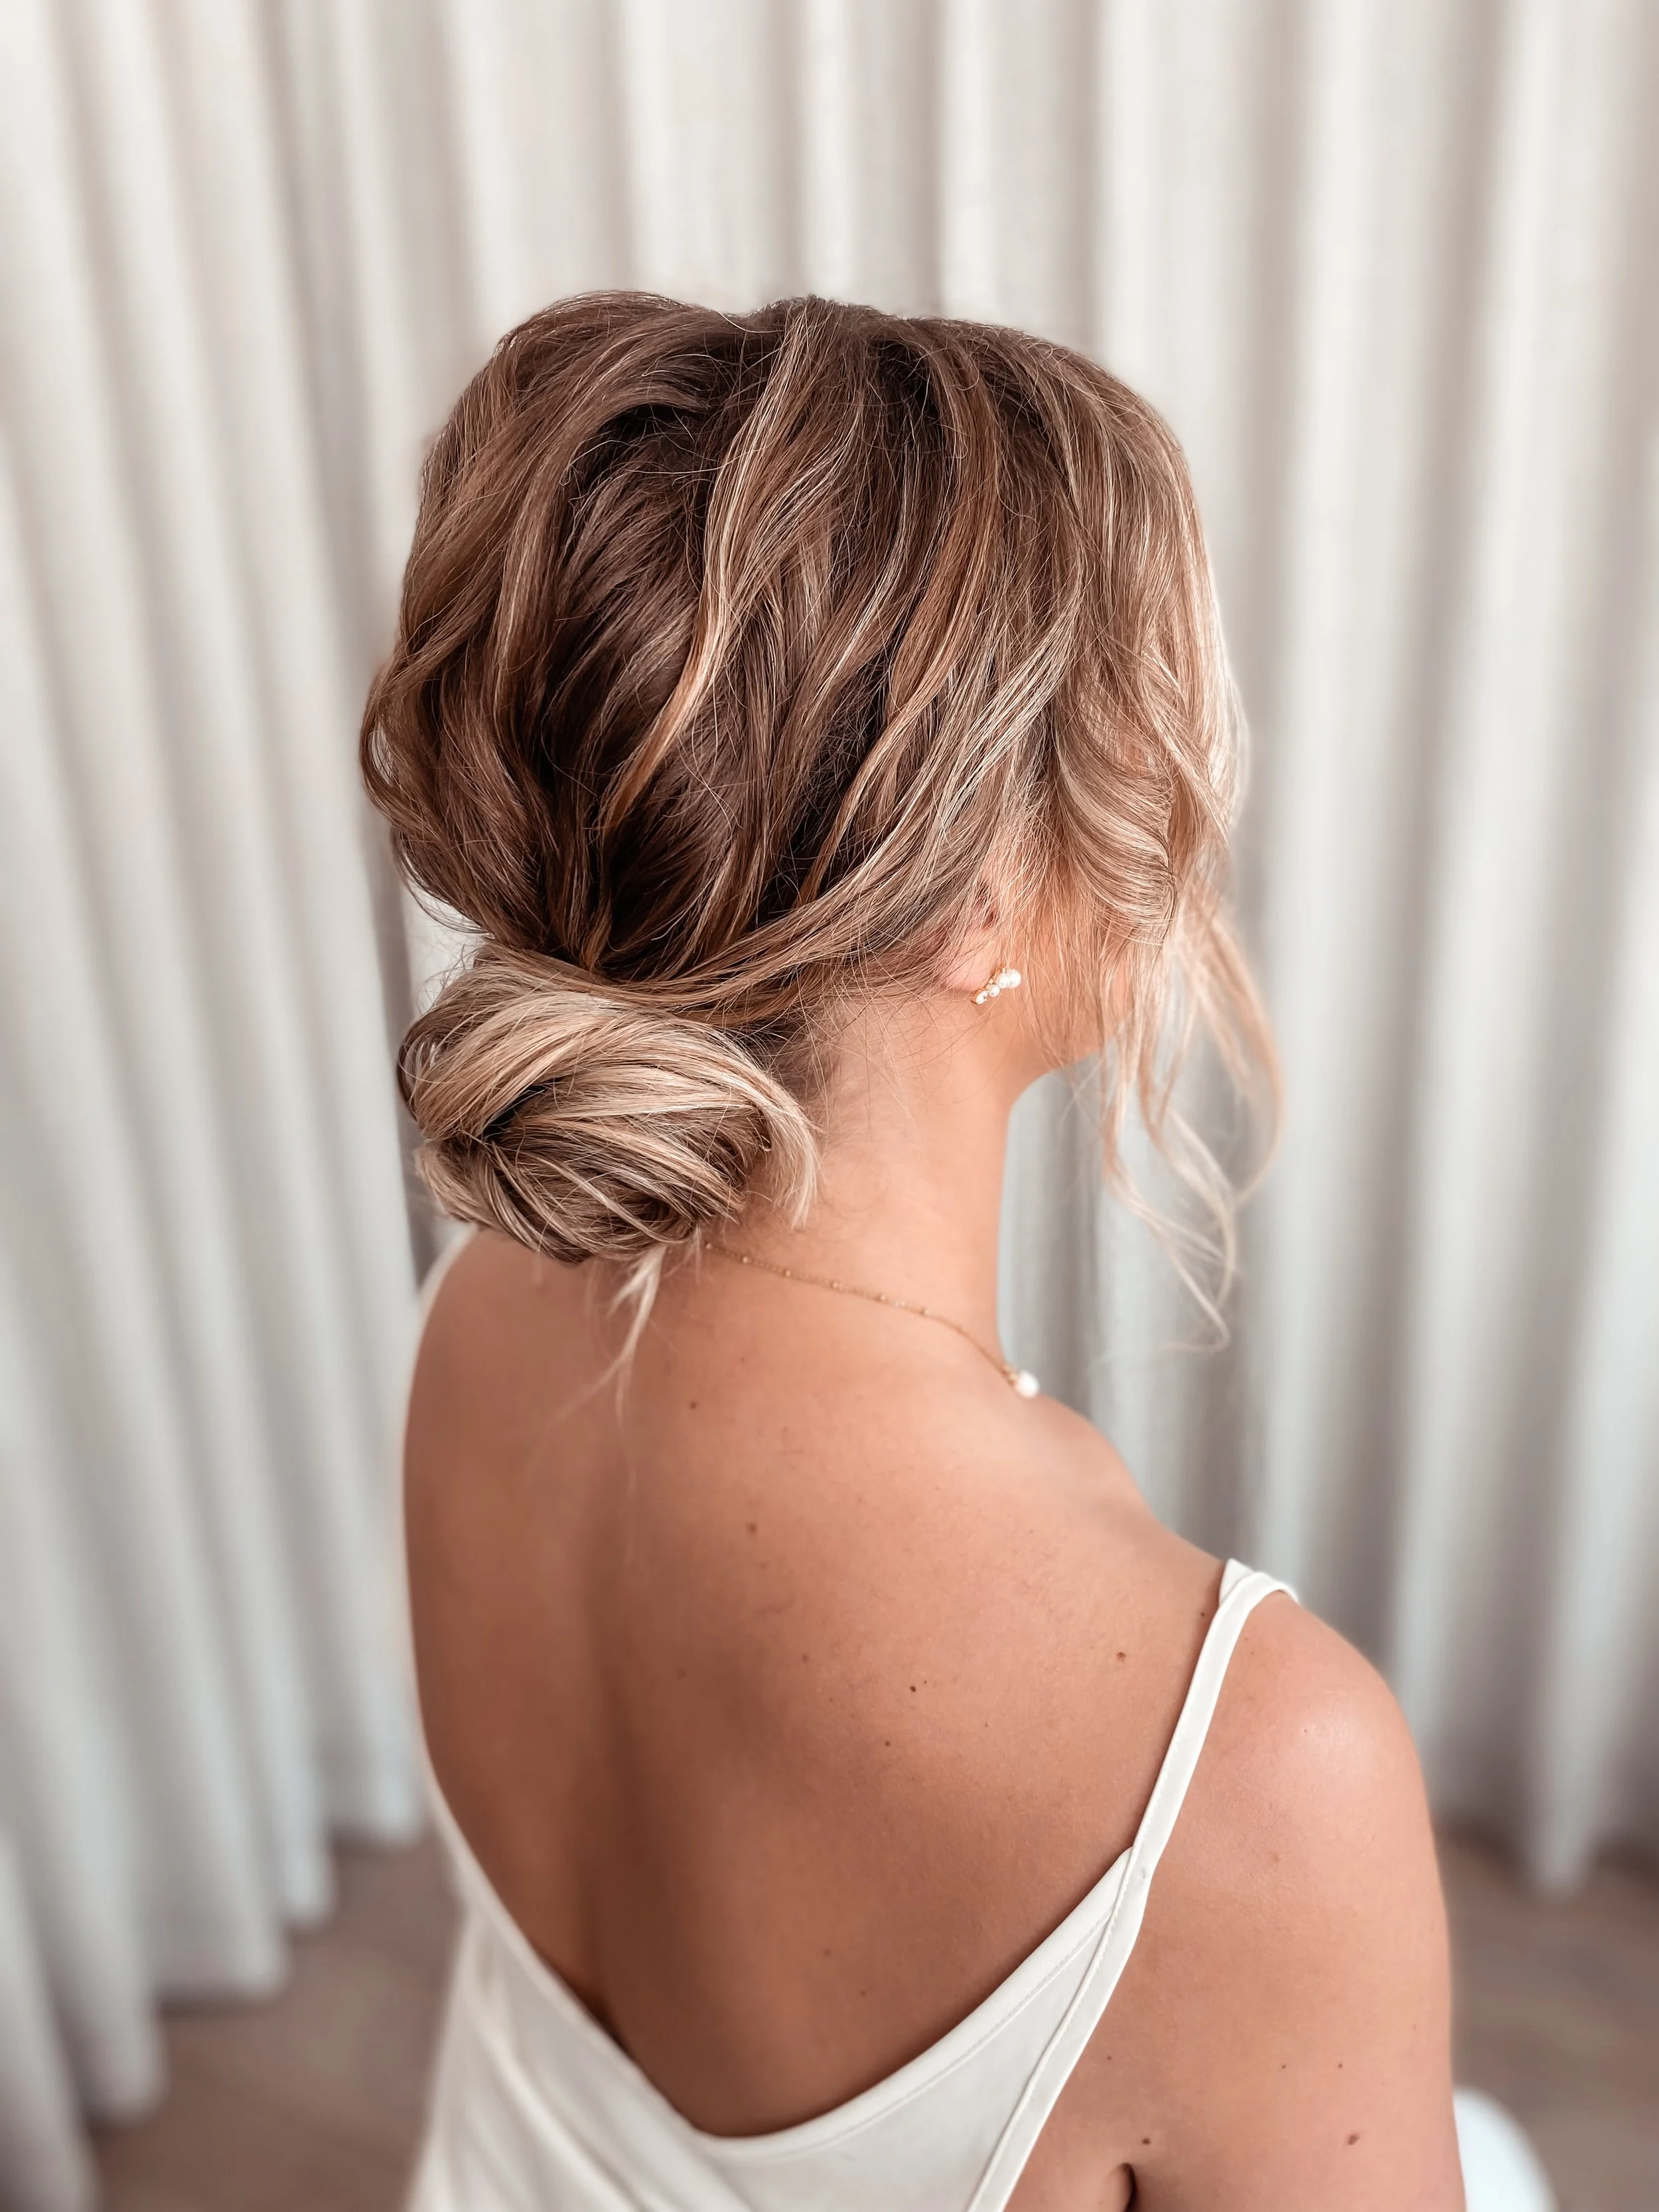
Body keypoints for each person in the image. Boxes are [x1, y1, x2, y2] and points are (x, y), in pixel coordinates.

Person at [365, 293, 1550, 2210]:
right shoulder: (1246, 1764)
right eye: (1139, 727)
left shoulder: (475, 1317)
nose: (1184, 805)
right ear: (982, 900)